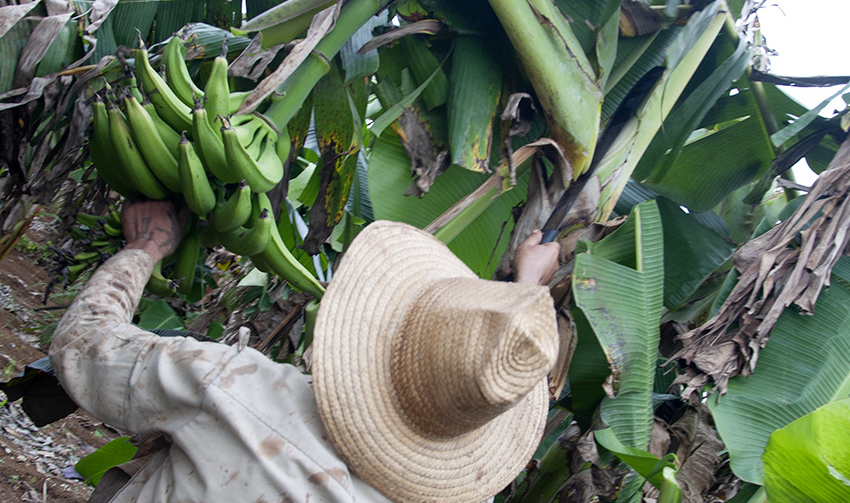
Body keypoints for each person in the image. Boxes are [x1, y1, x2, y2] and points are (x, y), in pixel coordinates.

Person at [49, 200, 560, 503]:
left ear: (372, 330)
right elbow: (483, 370)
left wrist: (148, 247)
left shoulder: (233, 389)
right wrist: (525, 290)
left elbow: (82, 346)